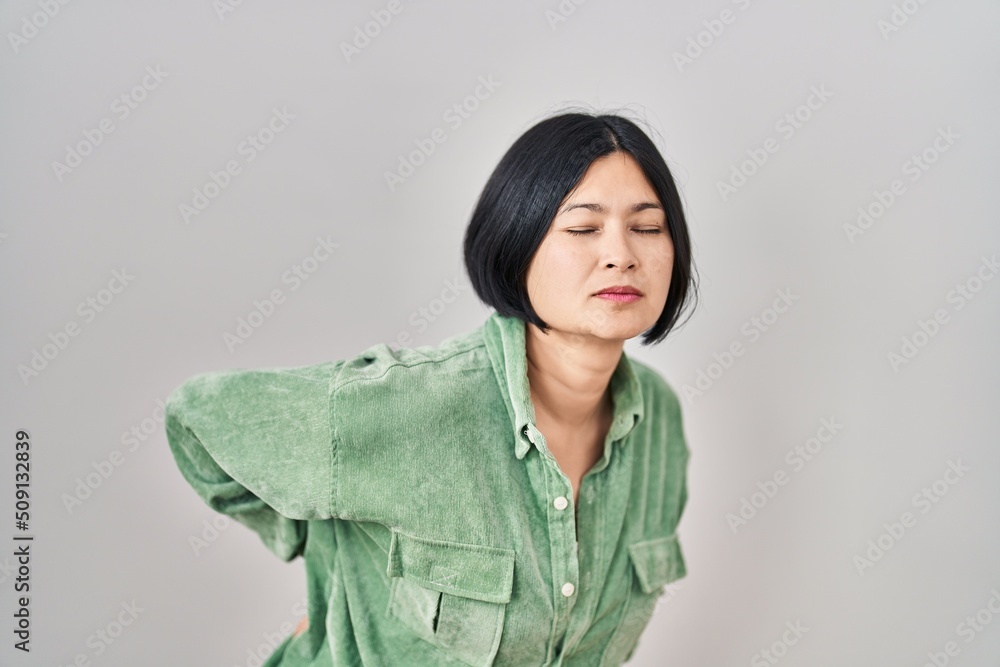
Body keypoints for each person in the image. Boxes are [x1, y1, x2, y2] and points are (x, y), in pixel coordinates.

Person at [165, 108, 698, 666]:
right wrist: (328, 557)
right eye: (583, 229)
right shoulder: (413, 404)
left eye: (647, 227)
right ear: (516, 244)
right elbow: (196, 416)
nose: (622, 255)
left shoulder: (658, 420)